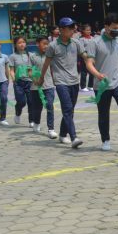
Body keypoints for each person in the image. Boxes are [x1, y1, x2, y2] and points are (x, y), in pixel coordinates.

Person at [84, 13, 118, 151]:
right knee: (103, 114)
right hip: (101, 85)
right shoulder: (95, 42)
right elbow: (89, 63)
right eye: (114, 28)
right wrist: (97, 74)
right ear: (106, 27)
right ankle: (105, 140)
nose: (117, 30)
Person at [39, 17, 84, 148]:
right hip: (60, 82)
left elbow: (85, 57)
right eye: (70, 28)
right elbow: (46, 63)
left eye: (73, 28)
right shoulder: (53, 46)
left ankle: (63, 134)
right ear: (62, 30)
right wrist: (42, 78)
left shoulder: (76, 43)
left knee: (70, 110)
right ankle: (74, 137)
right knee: (67, 108)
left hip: (75, 81)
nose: (72, 30)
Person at [28, 36, 55, 136]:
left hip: (49, 86)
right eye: (44, 43)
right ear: (37, 44)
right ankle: (36, 123)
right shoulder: (32, 56)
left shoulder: (50, 56)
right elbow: (29, 71)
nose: (46, 46)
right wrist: (34, 80)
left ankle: (51, 129)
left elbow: (54, 69)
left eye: (47, 44)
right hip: (36, 87)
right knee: (37, 108)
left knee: (49, 106)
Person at [8, 35, 33, 125]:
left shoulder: (30, 55)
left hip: (29, 81)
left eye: (23, 42)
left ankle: (31, 121)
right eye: (19, 43)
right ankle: (18, 113)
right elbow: (11, 70)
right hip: (18, 82)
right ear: (15, 45)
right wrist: (14, 79)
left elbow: (34, 67)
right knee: (21, 102)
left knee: (31, 102)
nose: (22, 44)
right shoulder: (12, 56)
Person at [78, 24, 95, 92]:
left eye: (89, 30)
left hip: (92, 57)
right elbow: (81, 49)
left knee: (92, 72)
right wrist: (84, 57)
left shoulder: (93, 38)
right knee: (84, 72)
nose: (89, 31)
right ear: (83, 31)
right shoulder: (81, 39)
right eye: (87, 30)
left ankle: (90, 85)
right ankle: (83, 86)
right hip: (84, 57)